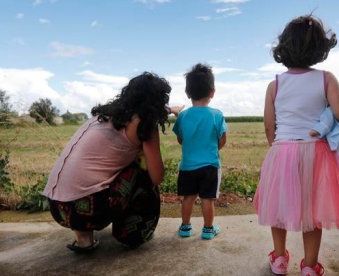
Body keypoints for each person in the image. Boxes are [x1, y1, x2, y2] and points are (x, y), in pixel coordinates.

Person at [253, 15, 339, 276]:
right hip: (317, 152)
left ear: (283, 48)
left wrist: (276, 147)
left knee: (279, 208)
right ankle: (310, 266)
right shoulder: (326, 78)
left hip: (283, 149)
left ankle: (278, 259)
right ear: (320, 49)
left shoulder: (274, 85)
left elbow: (269, 125)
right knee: (314, 211)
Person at [43, 72, 183, 253]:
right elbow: (157, 177)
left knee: (100, 170)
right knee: (142, 169)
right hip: (89, 210)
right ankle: (133, 234)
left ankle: (83, 238)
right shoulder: (144, 125)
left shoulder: (104, 116)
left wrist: (170, 110)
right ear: (157, 103)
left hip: (58, 208)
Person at [172, 63, 227, 240]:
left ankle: (185, 227)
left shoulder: (183, 116)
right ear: (212, 92)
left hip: (187, 166)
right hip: (210, 165)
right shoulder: (217, 115)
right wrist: (210, 148)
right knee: (207, 199)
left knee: (188, 197)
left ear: (188, 93)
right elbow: (222, 140)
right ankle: (208, 229)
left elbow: (180, 139)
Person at [309, 82, 339, 164]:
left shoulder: (330, 111)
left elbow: (326, 124)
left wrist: (317, 130)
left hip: (338, 138)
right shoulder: (329, 110)